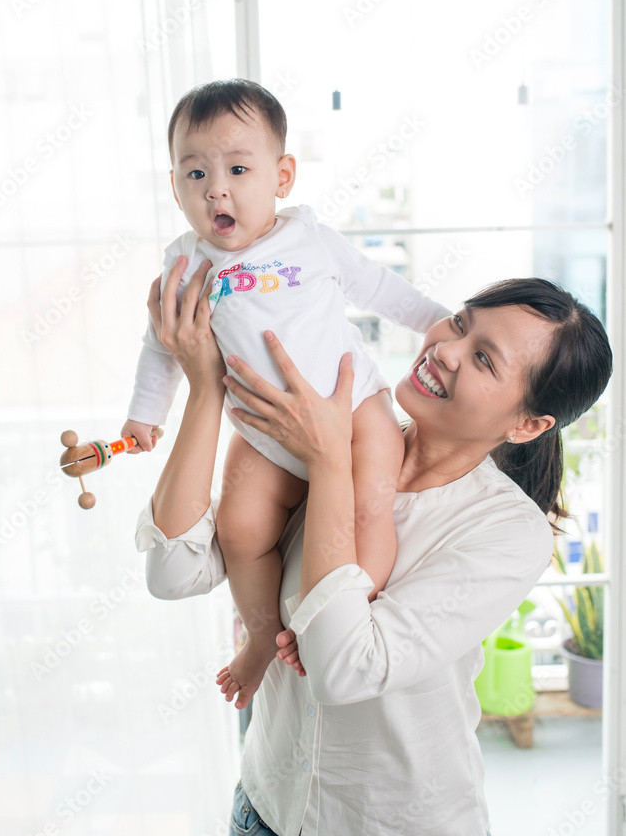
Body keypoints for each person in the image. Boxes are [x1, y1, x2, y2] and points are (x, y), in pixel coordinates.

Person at [134, 259, 612, 836]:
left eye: (484, 359)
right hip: (265, 808)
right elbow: (172, 573)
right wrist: (206, 386)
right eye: (459, 324)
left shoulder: (507, 532)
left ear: (529, 426)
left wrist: (330, 462)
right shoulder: (334, 429)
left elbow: (343, 670)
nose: (447, 350)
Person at [122, 78, 448, 711]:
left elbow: (381, 289)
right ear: (174, 187)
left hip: (354, 414)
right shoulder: (184, 270)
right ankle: (262, 636)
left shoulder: (311, 239)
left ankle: (339, 615)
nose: (217, 188)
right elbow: (161, 347)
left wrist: (438, 324)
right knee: (242, 529)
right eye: (195, 174)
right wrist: (142, 417)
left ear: (283, 176)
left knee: (368, 511)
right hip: (263, 432)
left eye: (238, 168)